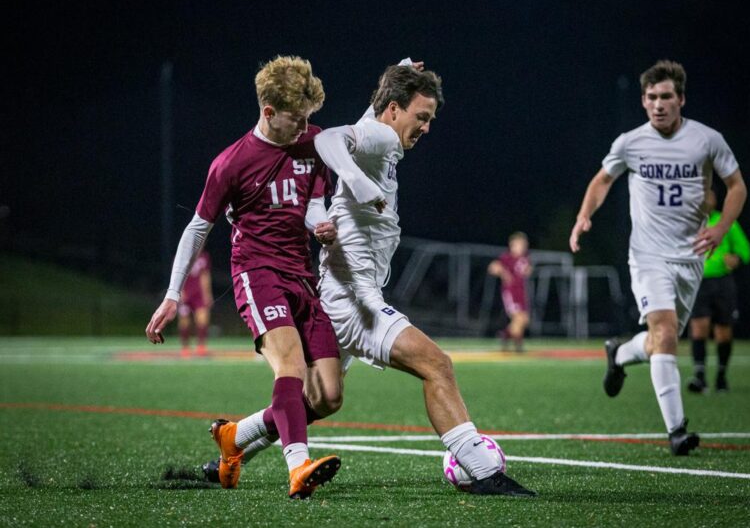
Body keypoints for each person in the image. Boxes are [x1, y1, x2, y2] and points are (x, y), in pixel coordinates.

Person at [202, 59, 536, 497]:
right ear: (394, 110)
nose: (426, 128)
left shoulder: (378, 129)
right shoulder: (379, 136)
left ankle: (236, 438)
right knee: (436, 364)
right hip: (352, 301)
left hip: (340, 293)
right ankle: (481, 470)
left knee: (319, 400)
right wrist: (357, 181)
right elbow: (334, 140)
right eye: (421, 117)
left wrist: (398, 69)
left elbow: (364, 119)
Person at [146, 55, 344, 499]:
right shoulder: (231, 163)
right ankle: (298, 467)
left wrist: (320, 225)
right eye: (296, 119)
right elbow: (198, 228)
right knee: (290, 365)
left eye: (308, 119)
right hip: (257, 273)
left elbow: (311, 202)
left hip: (302, 275)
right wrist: (173, 294)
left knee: (329, 395)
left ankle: (236, 437)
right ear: (268, 112)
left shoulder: (313, 142)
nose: (303, 128)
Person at [569, 60, 747, 456]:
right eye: (651, 97)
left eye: (666, 96)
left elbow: (736, 187)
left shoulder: (706, 139)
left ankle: (619, 352)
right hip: (648, 255)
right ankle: (677, 430)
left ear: (681, 99)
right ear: (644, 101)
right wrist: (585, 216)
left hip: (691, 258)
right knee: (666, 334)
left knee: (658, 341)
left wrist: (720, 229)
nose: (658, 104)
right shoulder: (631, 142)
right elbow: (603, 179)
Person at [687, 189, 750, 393]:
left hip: (722, 282)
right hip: (698, 282)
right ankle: (699, 376)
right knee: (699, 327)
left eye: (710, 195)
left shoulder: (725, 223)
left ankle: (721, 376)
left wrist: (737, 258)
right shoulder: (688, 223)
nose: (706, 199)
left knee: (723, 331)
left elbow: (745, 250)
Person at [488, 232, 533, 352]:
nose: (523, 247)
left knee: (524, 320)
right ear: (512, 245)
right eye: (520, 244)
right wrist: (504, 273)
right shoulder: (507, 257)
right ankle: (518, 345)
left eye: (524, 244)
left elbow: (527, 271)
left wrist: (528, 270)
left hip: (521, 293)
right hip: (511, 292)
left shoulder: (525, 258)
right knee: (519, 318)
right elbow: (492, 267)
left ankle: (506, 335)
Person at [177, 248, 213, 357]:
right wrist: (179, 291)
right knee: (184, 321)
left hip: (199, 294)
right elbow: (177, 275)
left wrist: (207, 294)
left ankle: (201, 347)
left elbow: (205, 275)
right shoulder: (180, 256)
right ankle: (185, 348)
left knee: (202, 319)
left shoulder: (204, 256)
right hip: (185, 294)